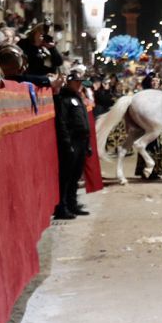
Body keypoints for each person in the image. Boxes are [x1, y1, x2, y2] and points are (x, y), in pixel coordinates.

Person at [53, 68, 92, 220]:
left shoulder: (78, 98)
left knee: (76, 176)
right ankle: (62, 207)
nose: (79, 85)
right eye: (76, 82)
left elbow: (84, 122)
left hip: (82, 141)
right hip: (72, 141)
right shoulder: (64, 99)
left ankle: (72, 203)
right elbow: (61, 122)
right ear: (68, 83)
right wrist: (66, 143)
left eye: (79, 82)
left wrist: (87, 144)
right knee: (67, 176)